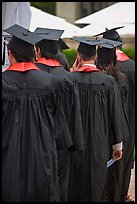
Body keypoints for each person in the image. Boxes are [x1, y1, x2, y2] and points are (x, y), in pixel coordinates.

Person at [2, 24, 73, 202]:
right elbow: (59, 125)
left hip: (8, 159)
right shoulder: (52, 83)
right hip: (43, 158)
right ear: (34, 53)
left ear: (10, 54)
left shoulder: (4, 84)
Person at [68, 37, 129, 202]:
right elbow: (115, 114)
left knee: (75, 186)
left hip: (75, 144)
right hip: (99, 144)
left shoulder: (70, 80)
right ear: (95, 57)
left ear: (78, 56)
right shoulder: (108, 82)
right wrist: (117, 145)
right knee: (96, 185)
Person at [33, 27, 85, 202]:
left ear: (38, 51)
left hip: (34, 142)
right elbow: (74, 113)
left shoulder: (31, 75)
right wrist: (76, 144)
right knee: (60, 187)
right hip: (61, 143)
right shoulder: (68, 78)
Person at [94, 27, 135, 202]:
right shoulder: (130, 68)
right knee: (122, 171)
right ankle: (121, 195)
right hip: (128, 127)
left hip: (99, 132)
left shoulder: (97, 73)